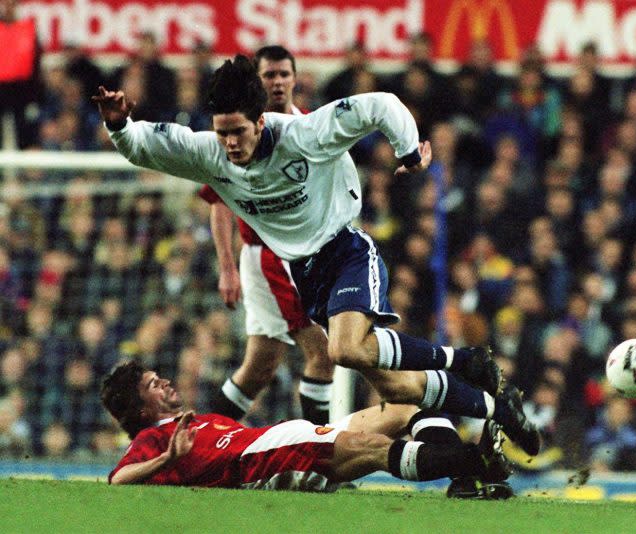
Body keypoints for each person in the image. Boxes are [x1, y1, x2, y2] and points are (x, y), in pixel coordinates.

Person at [92, 55, 540, 456]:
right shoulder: (209, 154)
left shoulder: (304, 135)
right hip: (304, 273)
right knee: (397, 386)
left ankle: (463, 362)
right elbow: (146, 146)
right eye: (222, 132)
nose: (229, 143)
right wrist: (118, 126)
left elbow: (380, 104)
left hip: (345, 249)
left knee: (342, 350)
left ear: (261, 122)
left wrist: (407, 149)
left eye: (239, 132)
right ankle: (496, 404)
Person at [101, 360, 513, 498]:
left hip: (279, 438)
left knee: (407, 405)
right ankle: (476, 461)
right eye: (153, 385)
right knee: (372, 448)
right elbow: (118, 479)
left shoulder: (192, 419)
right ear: (139, 408)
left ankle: (463, 477)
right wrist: (168, 457)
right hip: (264, 459)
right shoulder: (151, 439)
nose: (165, 382)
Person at [198, 45, 334, 425]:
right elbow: (218, 201)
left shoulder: (307, 127)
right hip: (271, 256)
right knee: (325, 353)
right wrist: (227, 266)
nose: (277, 82)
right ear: (256, 82)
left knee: (260, 365)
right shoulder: (236, 134)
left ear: (295, 78)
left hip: (305, 253)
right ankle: (320, 459)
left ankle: (203, 443)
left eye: (283, 74)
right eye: (268, 75)